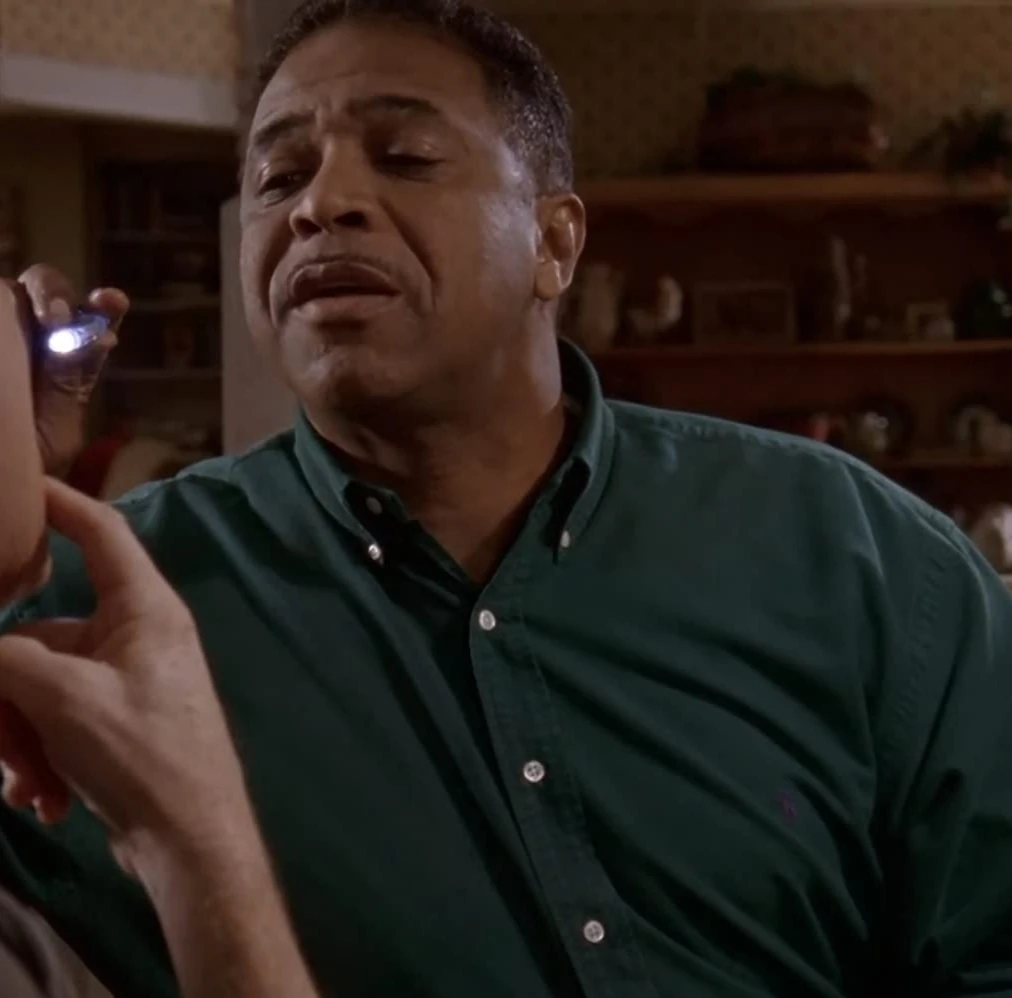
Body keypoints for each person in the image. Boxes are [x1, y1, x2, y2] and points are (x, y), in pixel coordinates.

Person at [2, 1, 1012, 995]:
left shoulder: (852, 553)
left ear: (554, 243)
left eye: (405, 156)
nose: (322, 203)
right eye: (278, 177)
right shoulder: (116, 602)